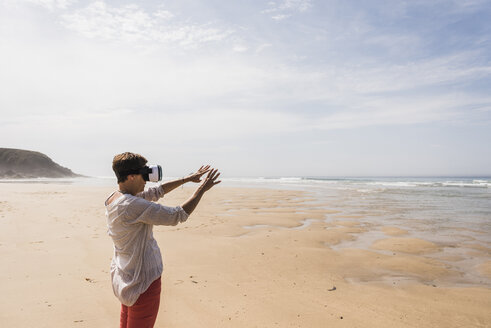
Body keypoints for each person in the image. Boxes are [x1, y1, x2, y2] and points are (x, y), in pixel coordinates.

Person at [104, 152, 221, 328]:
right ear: (131, 177)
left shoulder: (115, 197)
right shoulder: (132, 205)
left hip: (125, 276)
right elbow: (177, 216)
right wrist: (201, 189)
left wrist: (187, 179)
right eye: (144, 176)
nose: (147, 181)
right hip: (142, 282)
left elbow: (157, 191)